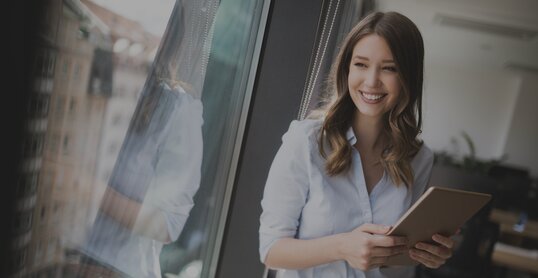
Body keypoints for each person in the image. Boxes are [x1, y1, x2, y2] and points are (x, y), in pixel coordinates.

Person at [259, 11, 455, 278]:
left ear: (408, 77)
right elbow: (271, 250)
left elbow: (394, 257)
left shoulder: (418, 158)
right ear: (346, 68)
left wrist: (425, 255)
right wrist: (342, 247)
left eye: (389, 68)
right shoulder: (306, 142)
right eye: (361, 64)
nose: (372, 81)